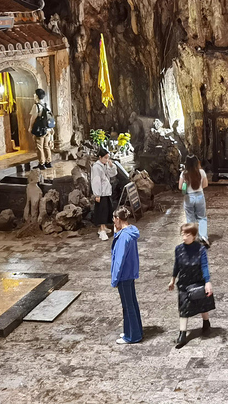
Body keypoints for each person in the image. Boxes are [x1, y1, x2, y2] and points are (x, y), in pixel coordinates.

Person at [168, 223, 215, 348]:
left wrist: (207, 281)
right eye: (183, 234)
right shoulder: (178, 249)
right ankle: (182, 334)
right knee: (183, 307)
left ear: (193, 236)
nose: (184, 237)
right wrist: (172, 280)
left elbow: (204, 266)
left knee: (201, 304)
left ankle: (206, 322)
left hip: (197, 280)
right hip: (183, 282)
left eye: (187, 234)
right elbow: (176, 265)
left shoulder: (200, 249)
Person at [111, 206, 142, 344]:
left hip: (123, 275)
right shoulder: (130, 232)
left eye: (114, 219)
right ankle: (133, 330)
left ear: (118, 219)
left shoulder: (123, 237)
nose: (113, 222)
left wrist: (115, 279)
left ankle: (132, 336)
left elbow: (119, 259)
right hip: (130, 273)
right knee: (132, 303)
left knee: (128, 305)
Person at [178, 155, 209, 246]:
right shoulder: (201, 172)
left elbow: (180, 187)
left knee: (190, 218)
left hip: (188, 197)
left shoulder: (184, 174)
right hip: (199, 196)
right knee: (202, 217)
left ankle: (191, 239)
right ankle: (203, 237)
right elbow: (205, 184)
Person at [92, 147, 118, 241]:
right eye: (105, 158)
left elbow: (113, 174)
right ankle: (102, 230)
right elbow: (96, 181)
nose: (107, 159)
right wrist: (97, 194)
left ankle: (103, 227)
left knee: (107, 210)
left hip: (106, 191)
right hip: (101, 193)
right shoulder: (96, 167)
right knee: (102, 211)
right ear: (100, 157)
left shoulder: (105, 165)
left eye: (108, 158)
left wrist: (111, 166)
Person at [28, 88, 53, 169]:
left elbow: (33, 118)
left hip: (40, 130)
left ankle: (41, 163)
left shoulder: (36, 106)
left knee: (39, 147)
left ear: (37, 96)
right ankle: (48, 162)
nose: (33, 95)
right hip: (48, 129)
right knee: (46, 146)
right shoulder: (46, 104)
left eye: (34, 94)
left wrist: (30, 127)